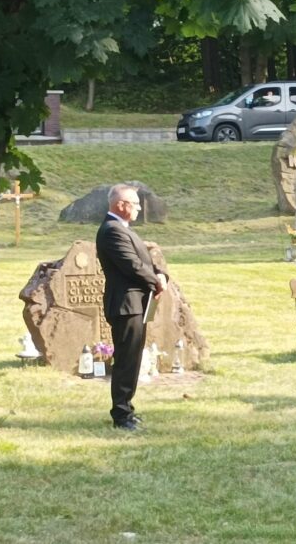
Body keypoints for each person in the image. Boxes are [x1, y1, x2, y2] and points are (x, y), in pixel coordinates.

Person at [96, 184, 168, 431]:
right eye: (135, 203)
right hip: (126, 304)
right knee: (126, 360)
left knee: (132, 358)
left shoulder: (123, 229)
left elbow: (143, 260)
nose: (138, 207)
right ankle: (121, 414)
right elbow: (132, 266)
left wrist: (160, 274)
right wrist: (155, 281)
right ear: (121, 205)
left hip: (136, 303)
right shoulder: (111, 231)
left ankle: (126, 408)